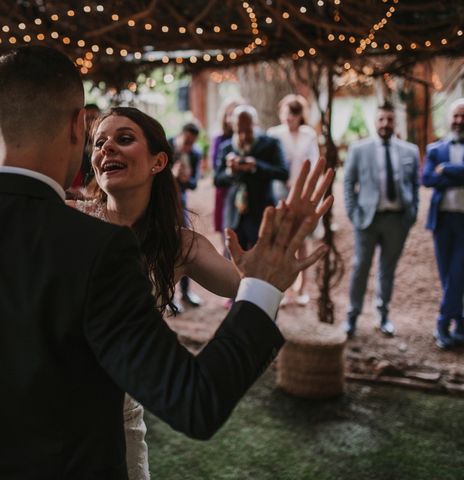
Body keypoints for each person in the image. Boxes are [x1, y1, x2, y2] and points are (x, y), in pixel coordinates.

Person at [0, 46, 329, 479]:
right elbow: (194, 402)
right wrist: (263, 284)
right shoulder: (94, 245)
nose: (106, 147)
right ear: (79, 126)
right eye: (99, 136)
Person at [77, 107, 334, 478]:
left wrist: (270, 263)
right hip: (57, 397)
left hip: (120, 413)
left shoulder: (181, 246)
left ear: (158, 161)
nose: (107, 149)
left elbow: (248, 290)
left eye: (125, 139)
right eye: (99, 143)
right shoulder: (70, 220)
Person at [343, 101, 420, 338]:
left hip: (397, 220)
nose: (385, 124)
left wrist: (412, 213)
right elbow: (348, 183)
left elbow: (414, 185)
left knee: (388, 269)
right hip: (367, 220)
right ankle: (352, 316)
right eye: (381, 119)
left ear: (395, 121)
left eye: (389, 119)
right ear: (375, 121)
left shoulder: (410, 151)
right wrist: (353, 214)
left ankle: (383, 315)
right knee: (360, 268)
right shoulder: (358, 149)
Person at [268, 94, 321, 306]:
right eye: (285, 112)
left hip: (303, 193)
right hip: (280, 192)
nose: (288, 117)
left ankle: (302, 287)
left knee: (302, 240)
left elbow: (315, 162)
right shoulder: (274, 134)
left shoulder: (308, 134)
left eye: (293, 113)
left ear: (300, 116)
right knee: (281, 240)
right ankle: (282, 288)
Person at [215, 105, 289, 249]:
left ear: (255, 124)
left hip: (261, 211)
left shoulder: (271, 144)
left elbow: (283, 173)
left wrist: (256, 166)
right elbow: (217, 180)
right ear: (233, 125)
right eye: (239, 131)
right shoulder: (226, 148)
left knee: (261, 261)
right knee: (233, 262)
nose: (243, 136)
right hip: (234, 214)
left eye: (248, 131)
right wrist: (230, 172)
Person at [422, 97, 464, 349]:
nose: (459, 121)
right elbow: (426, 179)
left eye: (463, 116)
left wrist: (446, 169)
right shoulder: (434, 149)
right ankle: (460, 322)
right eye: (456, 116)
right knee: (447, 276)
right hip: (442, 221)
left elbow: (438, 175)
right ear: (449, 119)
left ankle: (442, 322)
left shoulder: (441, 159)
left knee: (458, 273)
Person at [170, 122, 203, 307]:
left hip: (181, 205)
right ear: (180, 134)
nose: (189, 146)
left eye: (192, 143)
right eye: (187, 141)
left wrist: (186, 179)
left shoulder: (195, 153)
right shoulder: (164, 145)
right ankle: (168, 296)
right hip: (160, 202)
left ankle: (186, 292)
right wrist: (171, 175)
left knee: (185, 246)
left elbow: (194, 184)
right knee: (165, 250)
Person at [210, 99, 242, 248]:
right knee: (228, 239)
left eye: (236, 115)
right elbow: (216, 172)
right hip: (225, 193)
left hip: (246, 195)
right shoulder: (219, 140)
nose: (232, 119)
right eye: (229, 115)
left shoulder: (253, 138)